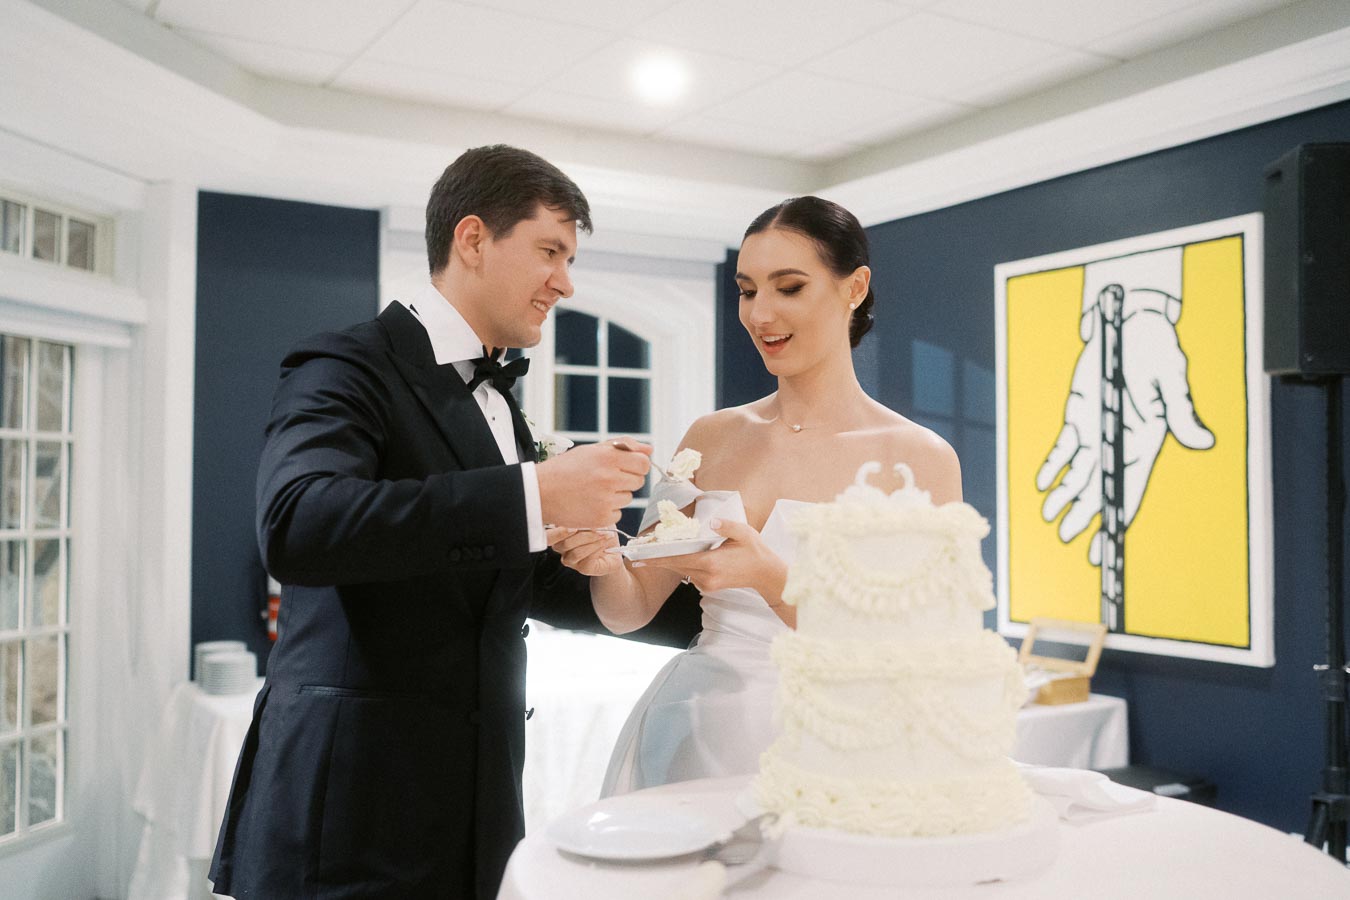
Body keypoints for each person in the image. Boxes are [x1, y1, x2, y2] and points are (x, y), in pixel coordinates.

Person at [209, 145, 700, 900]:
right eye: (550, 252)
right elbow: (297, 523)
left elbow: (509, 576)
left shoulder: (501, 402)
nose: (564, 283)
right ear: (472, 239)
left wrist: (709, 608)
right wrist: (535, 496)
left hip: (475, 804)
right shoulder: (343, 366)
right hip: (348, 810)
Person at [553, 196, 963, 795]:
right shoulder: (710, 436)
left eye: (789, 287)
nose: (760, 314)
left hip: (838, 748)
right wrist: (601, 557)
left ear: (855, 288)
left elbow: (921, 657)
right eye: (747, 291)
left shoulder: (919, 458)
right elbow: (629, 609)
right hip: (694, 732)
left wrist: (772, 578)